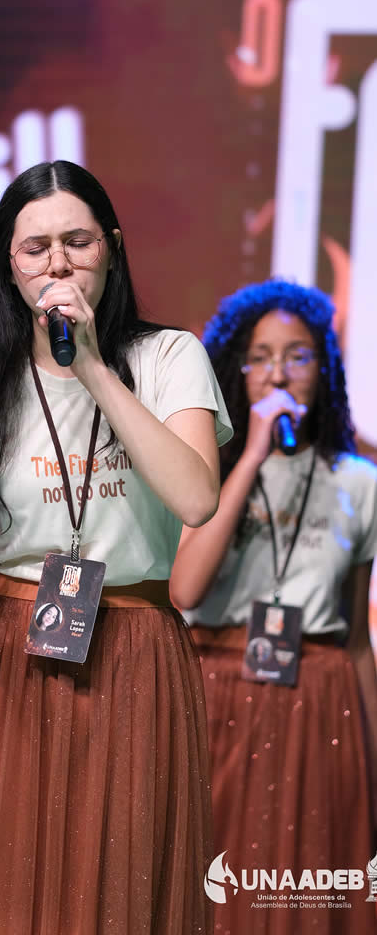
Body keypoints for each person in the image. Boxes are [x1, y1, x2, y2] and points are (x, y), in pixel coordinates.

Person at [0, 159, 232, 935]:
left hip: (133, 650)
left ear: (111, 249)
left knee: (119, 892)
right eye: (35, 248)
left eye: (77, 241)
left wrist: (90, 368)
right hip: (9, 657)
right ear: (9, 266)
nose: (57, 262)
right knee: (2, 893)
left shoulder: (167, 357)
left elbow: (196, 497)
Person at [170, 279, 377, 933]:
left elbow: (354, 636)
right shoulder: (203, 469)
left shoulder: (358, 481)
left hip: (320, 700)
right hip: (217, 690)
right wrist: (250, 454)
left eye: (297, 356)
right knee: (213, 885)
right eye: (259, 358)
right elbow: (185, 589)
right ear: (235, 369)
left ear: (325, 368)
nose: (278, 374)